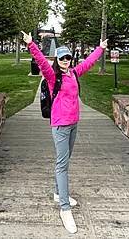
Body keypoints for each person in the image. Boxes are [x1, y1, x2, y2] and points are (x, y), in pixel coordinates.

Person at [21, 31, 108, 234]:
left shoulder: (74, 73)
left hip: (74, 123)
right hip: (60, 125)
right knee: (62, 165)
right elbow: (42, 62)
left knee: (65, 160)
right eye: (62, 58)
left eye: (68, 57)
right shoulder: (53, 77)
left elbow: (89, 62)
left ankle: (58, 193)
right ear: (58, 60)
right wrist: (31, 44)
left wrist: (101, 48)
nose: (66, 61)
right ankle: (64, 208)